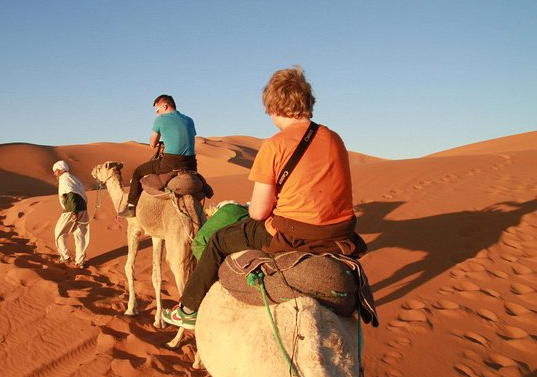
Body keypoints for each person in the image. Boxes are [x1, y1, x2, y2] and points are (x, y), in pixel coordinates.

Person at [163, 65, 363, 330]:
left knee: (220, 240)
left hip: (292, 234)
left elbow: (258, 213)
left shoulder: (275, 145)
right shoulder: (334, 138)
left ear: (274, 107)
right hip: (339, 235)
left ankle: (188, 309)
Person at [118, 94, 197, 218]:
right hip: (191, 164)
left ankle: (131, 207)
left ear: (165, 106)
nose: (157, 114)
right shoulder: (189, 120)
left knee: (138, 172)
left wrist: (153, 142)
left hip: (171, 163)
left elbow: (153, 143)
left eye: (157, 110)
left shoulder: (161, 119)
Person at [53, 160, 90, 268]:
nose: (54, 174)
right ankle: (80, 261)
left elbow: (71, 194)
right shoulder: (74, 178)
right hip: (83, 209)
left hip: (71, 210)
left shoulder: (65, 179)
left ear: (60, 170)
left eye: (55, 171)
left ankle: (65, 257)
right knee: (80, 235)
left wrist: (74, 212)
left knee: (59, 233)